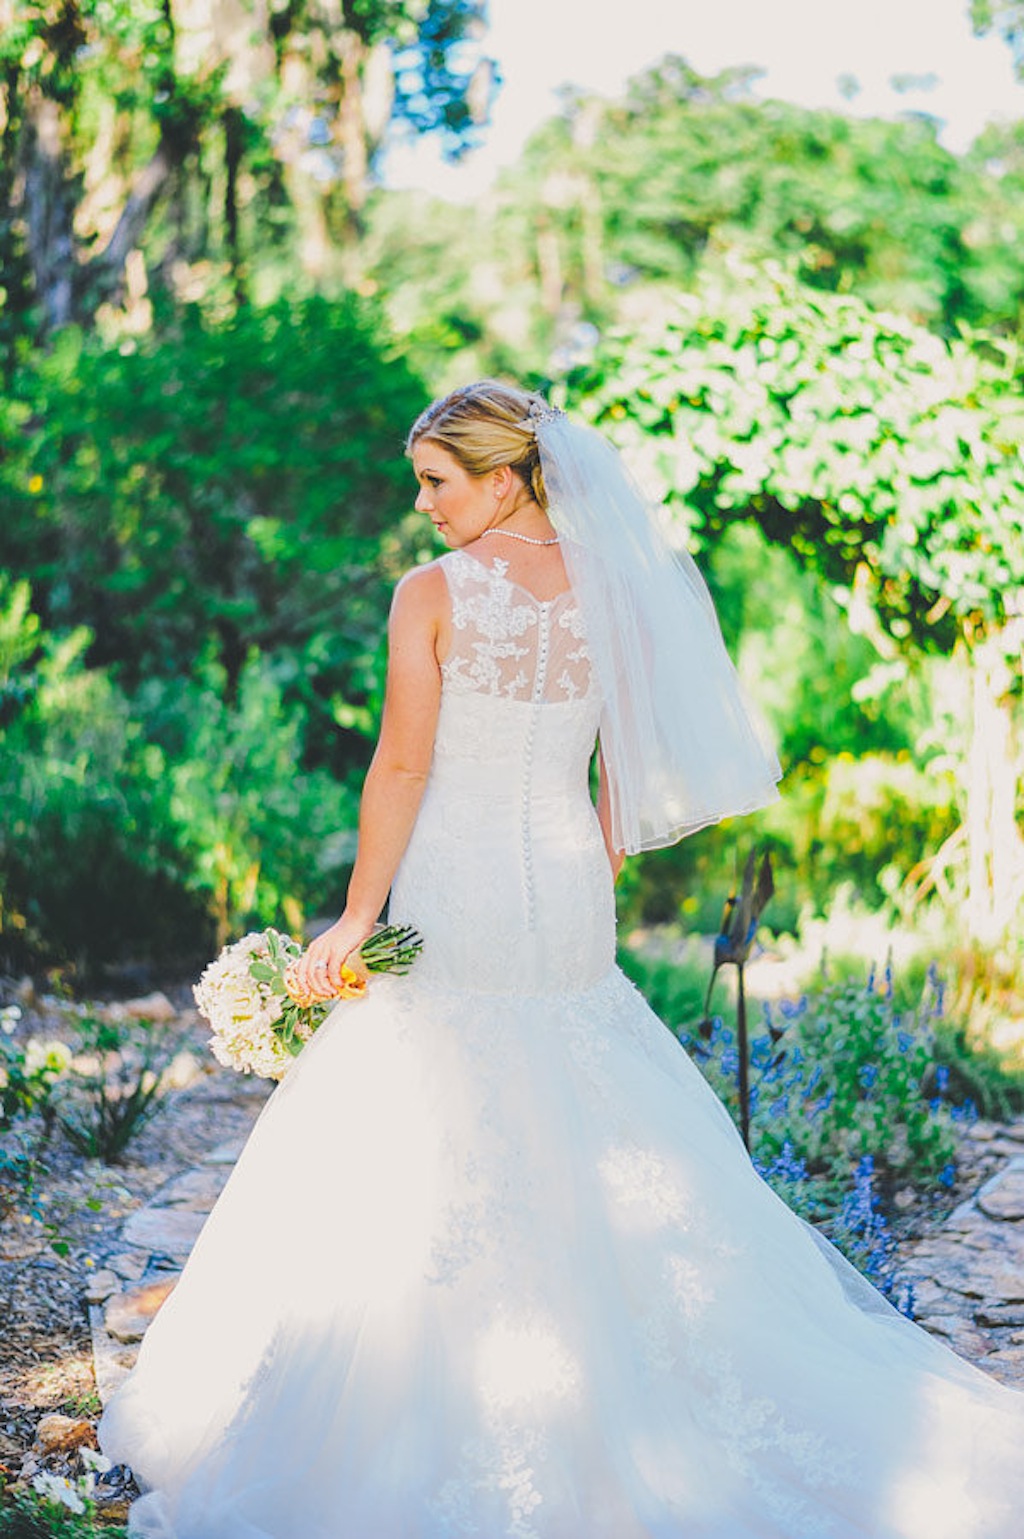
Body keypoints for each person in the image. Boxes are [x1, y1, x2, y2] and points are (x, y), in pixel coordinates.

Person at [100, 381, 1024, 1539]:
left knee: (435, 1110)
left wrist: (352, 916)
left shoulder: (429, 595)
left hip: (456, 883)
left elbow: (400, 769)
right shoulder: (620, 594)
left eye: (438, 481)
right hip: (565, 886)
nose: (424, 505)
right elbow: (619, 782)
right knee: (576, 1092)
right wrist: (585, 871)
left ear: (504, 477)